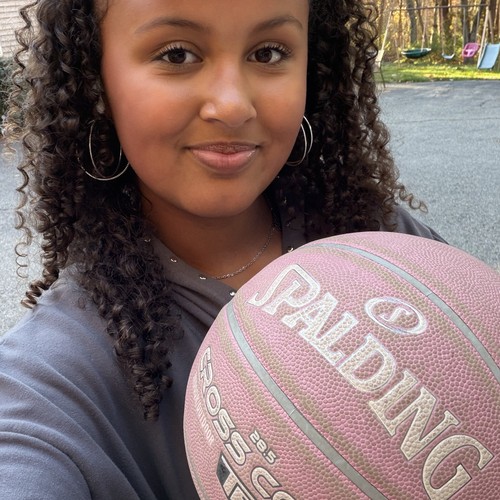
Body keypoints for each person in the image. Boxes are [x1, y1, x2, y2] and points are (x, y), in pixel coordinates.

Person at [1, 0, 445, 498]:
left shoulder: (382, 243)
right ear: (95, 81)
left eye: (269, 52)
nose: (232, 105)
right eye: (176, 54)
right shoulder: (55, 374)